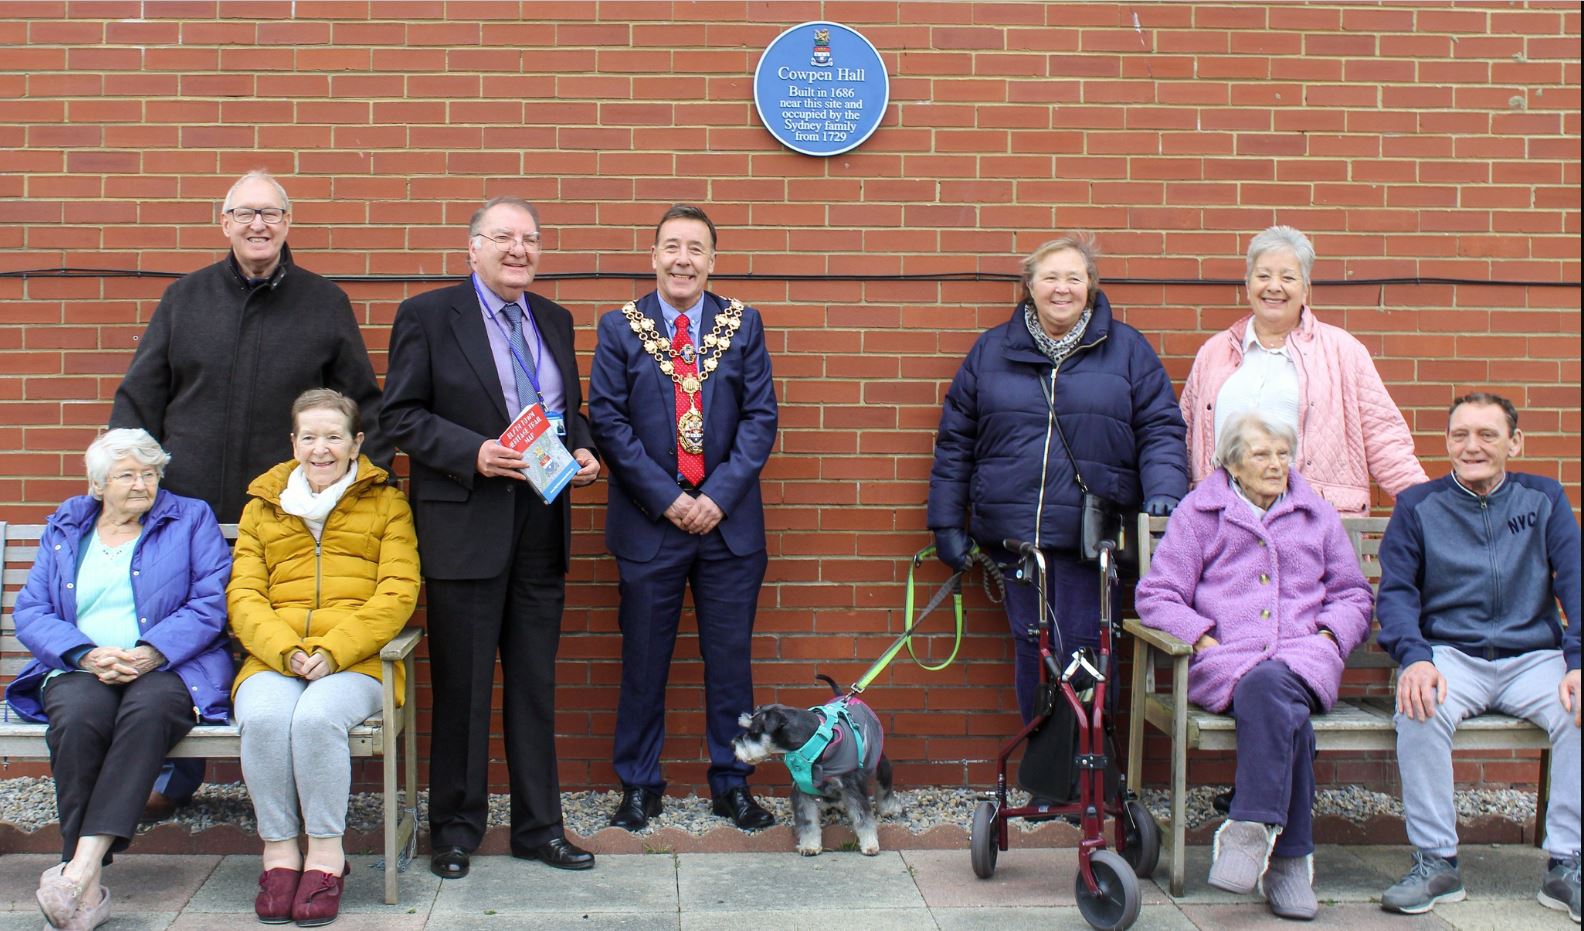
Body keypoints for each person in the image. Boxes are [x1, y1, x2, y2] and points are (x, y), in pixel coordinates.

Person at [108, 169, 390, 817]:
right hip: (186, 515)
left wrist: (351, 494)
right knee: (184, 638)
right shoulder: (185, 299)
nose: (258, 225)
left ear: (288, 223)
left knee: (275, 635)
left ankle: (292, 780)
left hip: (292, 519)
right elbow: (139, 400)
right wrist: (129, 487)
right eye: (244, 214)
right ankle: (178, 773)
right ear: (224, 222)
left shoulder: (325, 302)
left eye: (271, 214)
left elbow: (363, 410)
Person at [381, 197, 601, 878]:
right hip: (466, 522)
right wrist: (471, 451)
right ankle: (455, 829)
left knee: (534, 684)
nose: (519, 249)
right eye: (503, 237)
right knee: (464, 686)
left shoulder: (555, 319)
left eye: (530, 239)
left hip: (542, 519)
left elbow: (569, 412)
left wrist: (587, 449)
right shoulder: (427, 316)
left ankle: (540, 827)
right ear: (472, 247)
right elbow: (401, 417)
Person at [928, 233, 1188, 724]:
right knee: (1035, 653)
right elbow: (956, 440)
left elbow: (1161, 429)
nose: (1061, 288)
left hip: (1091, 540)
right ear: (1029, 286)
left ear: (1091, 285)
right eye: (1049, 277)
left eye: (1073, 276)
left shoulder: (1128, 351)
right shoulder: (991, 352)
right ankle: (1048, 778)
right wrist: (946, 524)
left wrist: (1165, 495)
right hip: (1016, 539)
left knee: (1089, 654)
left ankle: (1090, 778)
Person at [1135, 412, 1373, 920]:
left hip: (1305, 657)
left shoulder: (1317, 515)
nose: (1276, 464)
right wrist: (1198, 635)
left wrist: (1331, 636)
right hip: (1228, 658)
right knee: (1291, 721)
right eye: (1262, 454)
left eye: (1284, 453)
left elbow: (1353, 592)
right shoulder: (1201, 515)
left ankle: (1249, 824)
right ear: (1232, 463)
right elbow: (1157, 594)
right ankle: (1288, 863)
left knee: (1274, 689)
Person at [588, 204, 779, 832]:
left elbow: (760, 419)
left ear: (713, 261)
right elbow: (608, 422)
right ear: (653, 256)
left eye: (696, 249)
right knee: (644, 663)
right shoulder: (620, 327)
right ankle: (640, 785)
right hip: (650, 526)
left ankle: (733, 782)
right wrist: (668, 499)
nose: (682, 259)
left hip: (729, 527)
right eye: (672, 246)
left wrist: (716, 497)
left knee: (731, 663)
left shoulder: (741, 324)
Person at [6, 429, 232, 931]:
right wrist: (85, 654)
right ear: (97, 484)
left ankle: (79, 872)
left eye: (150, 473)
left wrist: (152, 652)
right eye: (127, 475)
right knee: (79, 719)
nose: (141, 484)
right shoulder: (67, 525)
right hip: (81, 666)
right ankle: (85, 887)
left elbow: (210, 602)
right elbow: (33, 609)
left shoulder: (189, 518)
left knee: (147, 713)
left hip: (173, 666)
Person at [1376, 392, 1579, 920]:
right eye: (1460, 435)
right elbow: (1396, 594)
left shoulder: (1544, 500)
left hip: (1534, 657)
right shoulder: (1417, 506)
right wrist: (1415, 657)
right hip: (1451, 656)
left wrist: (1578, 661)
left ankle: (1568, 864)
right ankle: (1436, 862)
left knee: (1580, 708)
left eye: (1487, 435)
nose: (1472, 446)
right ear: (1446, 442)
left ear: (1514, 442)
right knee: (1418, 706)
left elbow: (1576, 583)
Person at [228, 389, 420, 926]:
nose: (321, 449)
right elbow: (243, 597)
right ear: (293, 443)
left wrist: (333, 652)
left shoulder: (387, 503)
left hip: (358, 662)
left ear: (356, 442)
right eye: (309, 437)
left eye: (334, 437)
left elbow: (397, 593)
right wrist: (285, 650)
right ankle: (280, 852)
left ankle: (327, 856)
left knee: (315, 718)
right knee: (264, 716)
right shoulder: (262, 507)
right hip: (275, 658)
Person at [1178, 224, 1426, 516]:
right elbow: (1182, 441)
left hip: (1314, 526)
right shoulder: (1213, 353)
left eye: (1288, 277)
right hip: (1222, 525)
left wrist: (1430, 512)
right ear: (1247, 286)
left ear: (1305, 289)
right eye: (1263, 276)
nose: (1274, 286)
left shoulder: (1343, 352)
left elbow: (1386, 441)